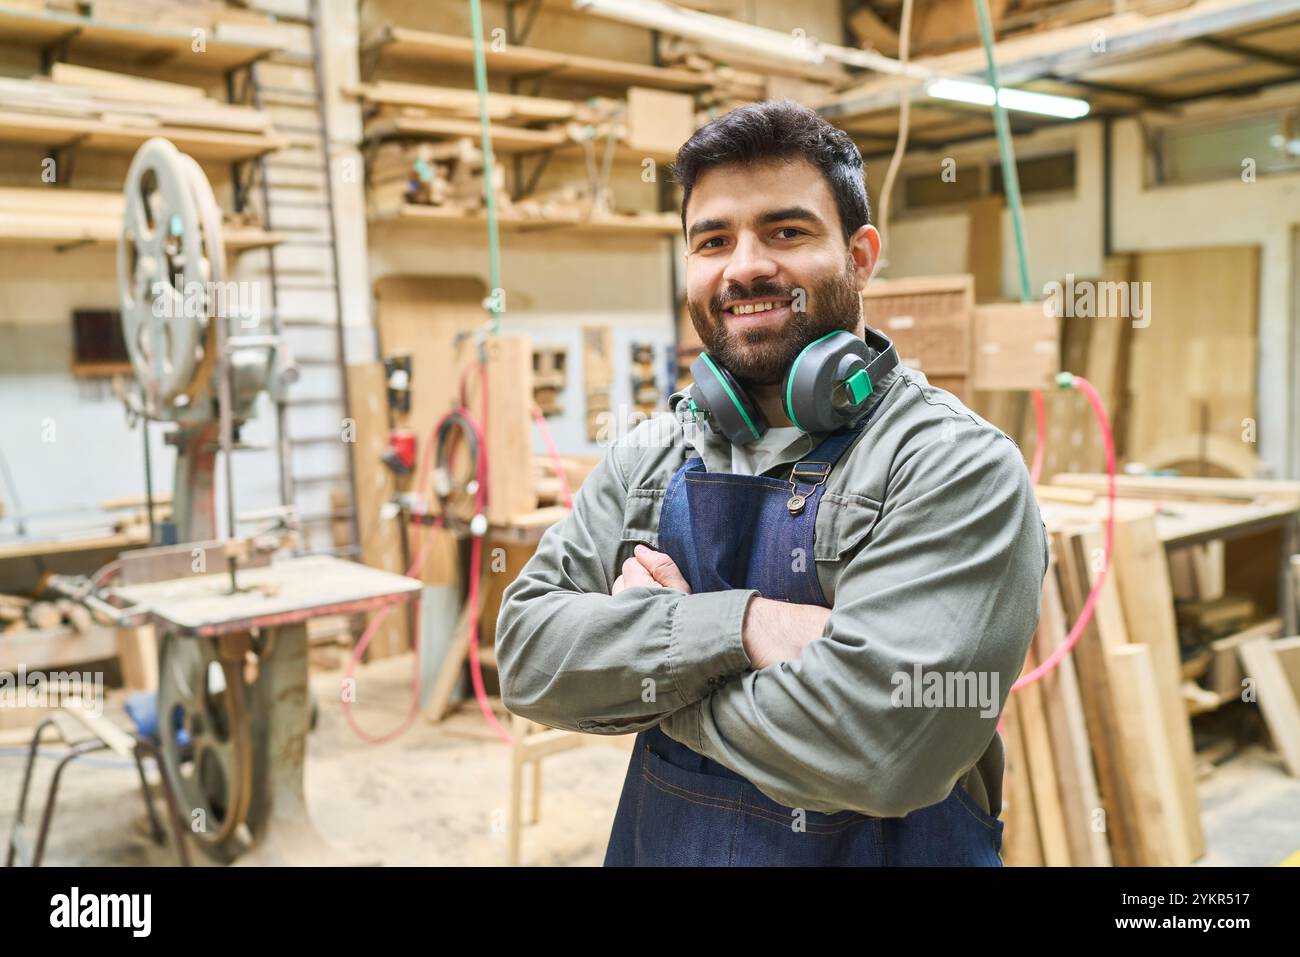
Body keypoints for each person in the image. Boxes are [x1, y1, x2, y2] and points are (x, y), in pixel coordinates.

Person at [496, 100, 1049, 866]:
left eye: (786, 231)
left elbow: (882, 746)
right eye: (713, 239)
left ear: (860, 255)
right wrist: (743, 627)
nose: (745, 265)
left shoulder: (954, 465)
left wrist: (651, 670)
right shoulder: (652, 455)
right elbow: (526, 656)